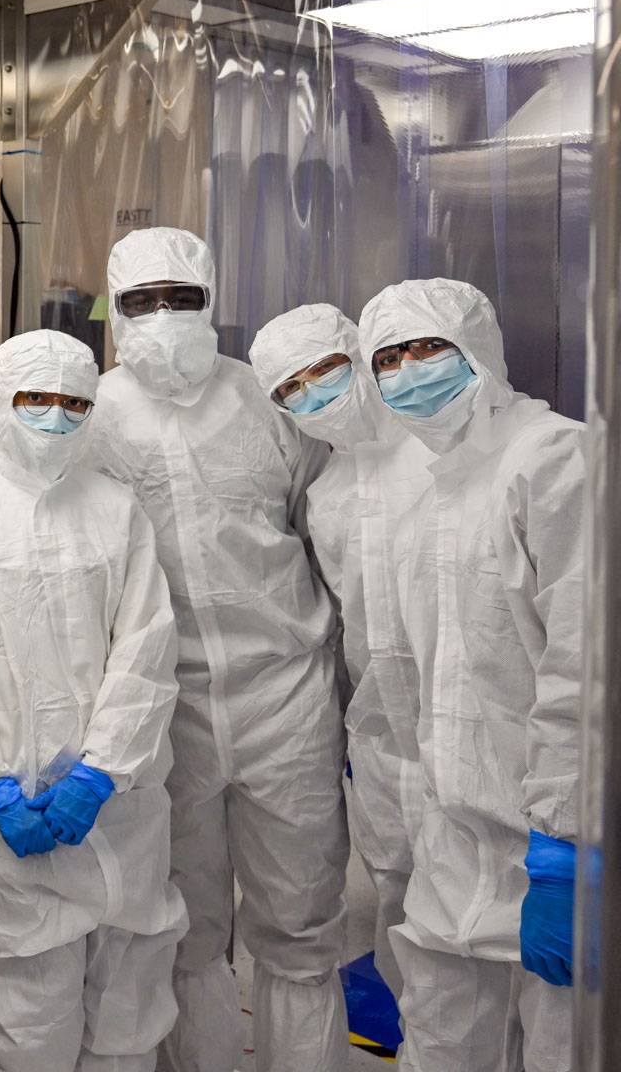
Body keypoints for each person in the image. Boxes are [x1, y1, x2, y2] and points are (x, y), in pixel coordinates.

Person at [84, 228, 350, 1072]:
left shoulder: (265, 401)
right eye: (142, 302)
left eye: (180, 299)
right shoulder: (87, 418)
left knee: (300, 923)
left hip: (287, 697)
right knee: (187, 924)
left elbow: (336, 527)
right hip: (167, 709)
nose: (162, 319)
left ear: (211, 299)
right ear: (115, 310)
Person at [0, 329, 188, 1070]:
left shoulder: (118, 510)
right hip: (12, 800)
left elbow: (145, 652)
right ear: (4, 402)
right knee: (29, 1014)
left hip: (120, 805)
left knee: (129, 1002)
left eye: (73, 404)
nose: (55, 419)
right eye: (36, 400)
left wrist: (101, 772)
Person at [357, 279, 585, 1072]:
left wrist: (565, 845)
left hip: (556, 842)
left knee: (564, 1047)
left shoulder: (555, 457)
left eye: (428, 348)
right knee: (441, 1043)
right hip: (453, 838)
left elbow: (584, 665)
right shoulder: (425, 490)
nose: (409, 371)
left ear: (478, 349)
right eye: (388, 358)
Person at [247, 304, 435, 995]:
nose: (311, 395)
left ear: (360, 357)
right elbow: (349, 623)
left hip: (482, 738)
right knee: (406, 920)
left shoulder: (445, 455)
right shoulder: (327, 493)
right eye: (289, 390)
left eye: (324, 370)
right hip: (386, 746)